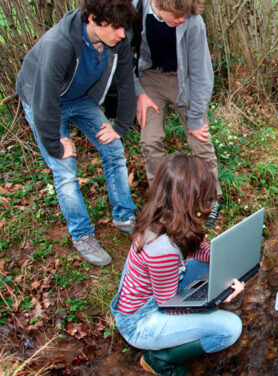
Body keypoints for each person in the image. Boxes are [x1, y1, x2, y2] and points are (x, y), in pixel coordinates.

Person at [15, 0, 138, 267]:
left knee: (114, 148)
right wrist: (55, 144)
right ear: (93, 19)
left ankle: (125, 216)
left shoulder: (119, 39)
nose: (122, 34)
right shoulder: (58, 45)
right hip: (42, 98)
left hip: (79, 97)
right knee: (65, 169)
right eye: (117, 27)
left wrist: (120, 127)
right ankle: (82, 235)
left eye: (124, 27)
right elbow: (44, 99)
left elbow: (126, 82)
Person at [110, 153, 245, 376]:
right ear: (191, 197)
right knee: (230, 328)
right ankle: (160, 360)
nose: (210, 202)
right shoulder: (163, 250)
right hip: (141, 320)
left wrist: (227, 260)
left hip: (160, 294)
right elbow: (170, 306)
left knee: (212, 268)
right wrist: (219, 296)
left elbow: (196, 249)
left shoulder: (167, 217)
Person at [132, 0, 222, 226]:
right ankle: (161, 200)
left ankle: (212, 200)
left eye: (186, 14)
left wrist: (194, 119)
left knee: (199, 138)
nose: (183, 19)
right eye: (178, 15)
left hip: (186, 81)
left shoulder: (194, 22)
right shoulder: (134, 10)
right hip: (150, 79)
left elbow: (201, 73)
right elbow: (123, 57)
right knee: (150, 141)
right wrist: (138, 92)